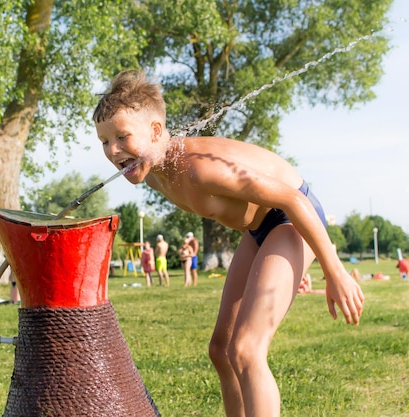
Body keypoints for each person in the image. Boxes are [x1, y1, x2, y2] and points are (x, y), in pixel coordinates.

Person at [93, 69, 364, 417]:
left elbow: (295, 202)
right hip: (260, 233)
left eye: (122, 137)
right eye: (104, 141)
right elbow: (240, 213)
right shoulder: (156, 178)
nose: (113, 150)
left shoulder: (198, 168)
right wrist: (278, 265)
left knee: (247, 350)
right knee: (221, 350)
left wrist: (333, 270)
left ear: (156, 131)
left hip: (290, 218)